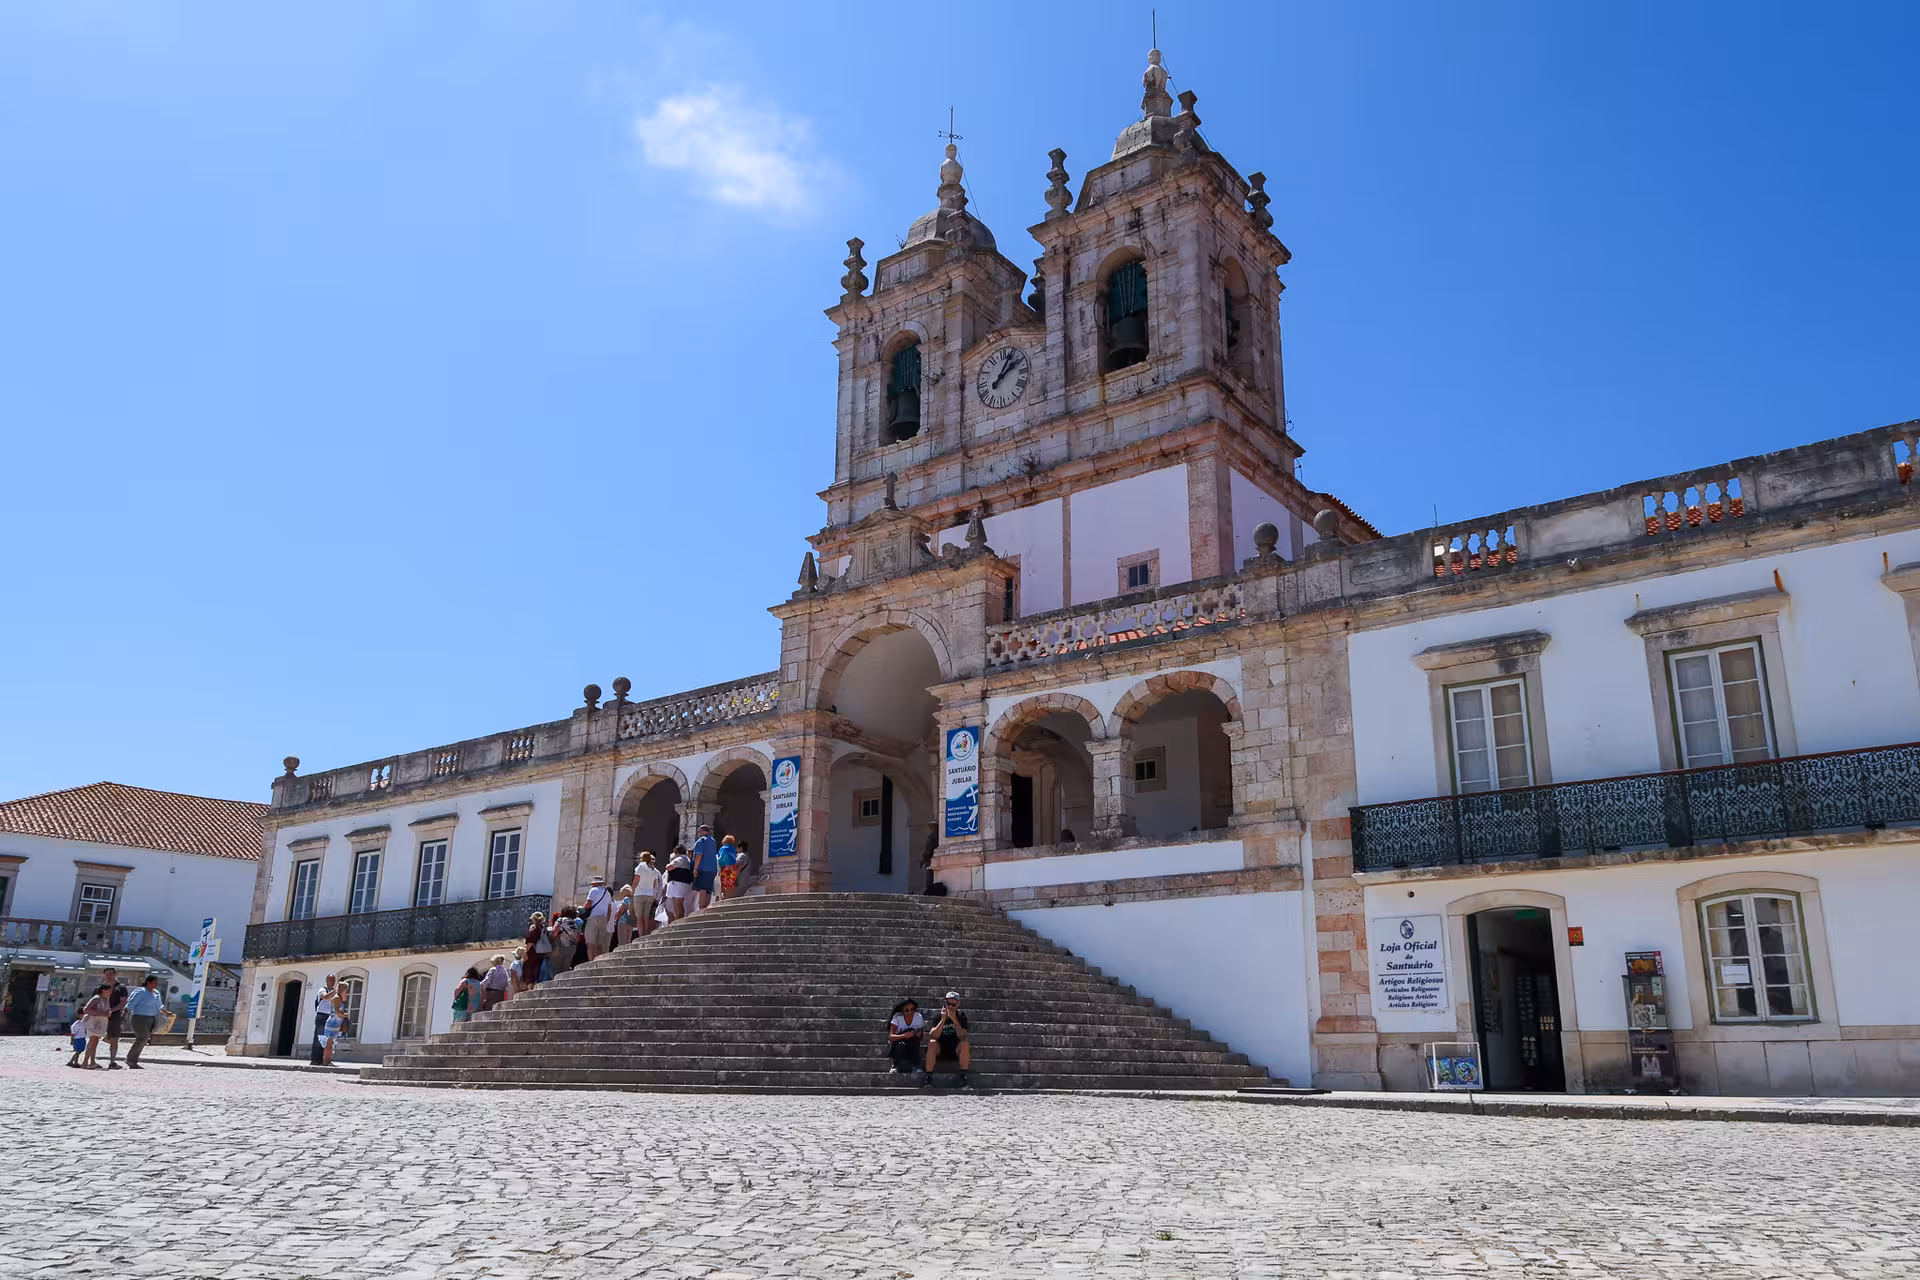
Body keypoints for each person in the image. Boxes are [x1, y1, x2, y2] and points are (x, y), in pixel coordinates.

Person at [922, 991, 970, 1088]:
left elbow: (962, 1036)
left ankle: (963, 1076)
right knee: (932, 1043)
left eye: (954, 1004)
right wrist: (943, 1020)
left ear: (958, 1004)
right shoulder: (938, 1016)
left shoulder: (961, 1016)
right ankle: (929, 1077)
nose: (951, 1007)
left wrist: (954, 1020)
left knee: (965, 1044)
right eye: (948, 1004)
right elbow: (933, 1035)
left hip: (955, 1049)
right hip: (940, 1049)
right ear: (945, 1003)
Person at [123, 974, 165, 1069]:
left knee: (145, 1039)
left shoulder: (156, 993)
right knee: (142, 1037)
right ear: (148, 982)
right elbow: (131, 1003)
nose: (156, 984)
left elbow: (159, 1005)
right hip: (139, 1018)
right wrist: (125, 1013)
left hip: (152, 1018)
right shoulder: (140, 991)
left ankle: (132, 1059)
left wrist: (166, 1012)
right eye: (154, 982)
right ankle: (131, 1060)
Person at [100, 966, 130, 1069]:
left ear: (115, 974)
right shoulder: (101, 987)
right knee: (94, 1036)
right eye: (107, 974)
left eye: (111, 974)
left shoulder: (121, 987)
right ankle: (90, 1060)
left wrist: (110, 1011)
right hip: (100, 1015)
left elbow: (123, 1003)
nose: (109, 976)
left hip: (115, 1015)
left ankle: (112, 1061)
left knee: (114, 1038)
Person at [886, 999, 925, 1076]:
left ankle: (916, 1066)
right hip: (899, 1040)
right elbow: (891, 1037)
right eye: (907, 1010)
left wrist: (918, 1034)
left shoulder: (918, 1017)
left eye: (912, 1009)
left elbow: (922, 1036)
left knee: (915, 1043)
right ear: (902, 1010)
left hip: (913, 1040)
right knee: (899, 1046)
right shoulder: (897, 1018)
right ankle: (895, 1065)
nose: (910, 1012)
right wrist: (904, 1035)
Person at [78, 984, 113, 1069]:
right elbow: (86, 1009)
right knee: (92, 1042)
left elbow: (107, 1009)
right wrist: (100, 1013)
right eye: (109, 990)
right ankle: (85, 1062)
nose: (110, 992)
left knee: (95, 1042)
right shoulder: (96, 999)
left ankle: (92, 1062)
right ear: (103, 990)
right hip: (93, 1023)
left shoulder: (106, 999)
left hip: (100, 1023)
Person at [583, 875, 616, 959]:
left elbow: (588, 904)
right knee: (599, 943)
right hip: (604, 918)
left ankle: (591, 961)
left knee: (591, 942)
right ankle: (597, 960)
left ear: (595, 883)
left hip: (594, 917)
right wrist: (607, 920)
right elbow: (609, 909)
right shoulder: (607, 893)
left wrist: (584, 907)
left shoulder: (593, 890)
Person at [309, 974, 339, 1065]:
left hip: (330, 1016)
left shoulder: (333, 992)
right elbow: (325, 997)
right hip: (322, 1016)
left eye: (333, 981)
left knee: (328, 1039)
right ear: (327, 981)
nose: (332, 982)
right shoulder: (323, 990)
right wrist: (334, 991)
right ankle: (315, 1059)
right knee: (319, 1037)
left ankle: (325, 1059)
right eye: (330, 980)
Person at [630, 853, 662, 937]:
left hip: (639, 893)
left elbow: (635, 881)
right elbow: (655, 884)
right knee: (646, 916)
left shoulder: (641, 866)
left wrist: (632, 892)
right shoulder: (654, 870)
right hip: (650, 895)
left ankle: (641, 934)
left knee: (639, 916)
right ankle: (645, 934)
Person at [689, 825, 719, 911]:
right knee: (708, 890)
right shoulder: (713, 841)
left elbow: (699, 855)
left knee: (702, 889)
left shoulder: (701, 841)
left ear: (702, 830)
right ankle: (706, 908)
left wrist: (695, 868)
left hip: (703, 868)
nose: (698, 833)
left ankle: (702, 908)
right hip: (712, 869)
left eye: (698, 831)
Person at [662, 849, 695, 921]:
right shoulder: (688, 860)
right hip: (684, 885)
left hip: (677, 886)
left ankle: (677, 923)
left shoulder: (680, 858)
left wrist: (668, 864)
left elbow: (669, 867)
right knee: (681, 905)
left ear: (677, 853)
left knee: (677, 906)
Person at [547, 912, 578, 982]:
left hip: (560, 947)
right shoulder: (575, 922)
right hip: (572, 948)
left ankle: (555, 985)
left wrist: (551, 940)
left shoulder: (561, 920)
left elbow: (555, 930)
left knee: (554, 969)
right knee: (565, 969)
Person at [524, 911, 551, 985]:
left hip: (533, 953)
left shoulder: (534, 930)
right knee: (537, 971)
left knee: (530, 973)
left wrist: (525, 952)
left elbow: (530, 942)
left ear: (534, 920)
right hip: (541, 953)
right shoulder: (544, 929)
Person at [319, 996, 347, 1066]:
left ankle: (327, 1061)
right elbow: (337, 1012)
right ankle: (326, 1061)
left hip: (335, 1022)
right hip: (333, 1022)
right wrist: (345, 1015)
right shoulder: (337, 998)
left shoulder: (338, 998)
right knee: (329, 1043)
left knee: (330, 1043)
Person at [717, 835, 742, 901]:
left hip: (725, 869)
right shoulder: (733, 849)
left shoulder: (723, 848)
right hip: (732, 869)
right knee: (730, 884)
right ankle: (730, 898)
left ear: (725, 840)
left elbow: (721, 859)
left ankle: (725, 898)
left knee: (724, 884)